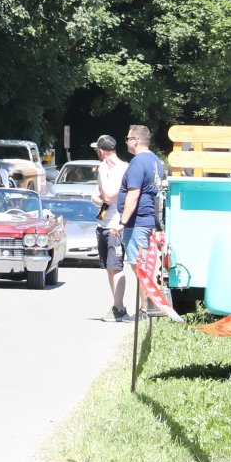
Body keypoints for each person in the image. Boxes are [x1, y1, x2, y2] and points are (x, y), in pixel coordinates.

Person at [107, 124, 163, 316]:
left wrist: (122, 223)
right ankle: (148, 308)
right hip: (148, 221)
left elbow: (133, 194)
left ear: (136, 140)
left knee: (140, 267)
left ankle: (145, 310)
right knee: (144, 266)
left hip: (137, 223)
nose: (127, 142)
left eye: (128, 138)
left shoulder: (138, 162)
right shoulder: (155, 160)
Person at [89, 135, 129, 320]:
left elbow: (109, 196)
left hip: (115, 226)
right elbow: (96, 196)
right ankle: (117, 305)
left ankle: (119, 308)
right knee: (109, 268)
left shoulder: (122, 169)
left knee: (116, 267)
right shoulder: (104, 170)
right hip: (103, 224)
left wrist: (102, 175)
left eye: (96, 151)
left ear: (101, 151)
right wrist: (101, 198)